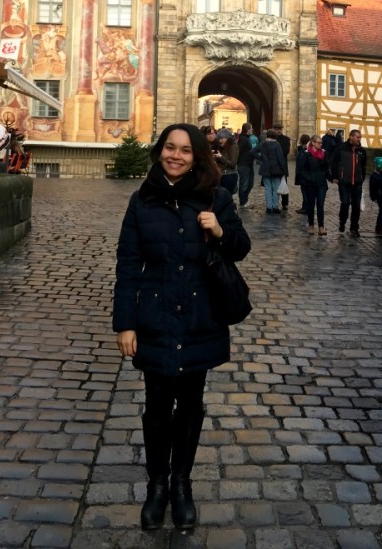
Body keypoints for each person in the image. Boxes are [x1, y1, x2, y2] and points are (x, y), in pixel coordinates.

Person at [113, 123, 251, 532]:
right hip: (154, 318)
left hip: (199, 317)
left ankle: (181, 486)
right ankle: (157, 486)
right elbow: (127, 266)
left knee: (190, 404)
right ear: (160, 152)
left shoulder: (217, 198)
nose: (176, 156)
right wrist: (125, 324)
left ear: (197, 157)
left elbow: (241, 248)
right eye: (170, 148)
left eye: (185, 150)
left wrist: (220, 230)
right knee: (157, 406)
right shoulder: (141, 202)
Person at [330, 129, 367, 237]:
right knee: (345, 203)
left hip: (357, 182)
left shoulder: (361, 151)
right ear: (351, 137)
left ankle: (354, 227)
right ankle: (342, 221)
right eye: (357, 137)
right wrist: (335, 176)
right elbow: (334, 163)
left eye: (360, 137)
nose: (359, 139)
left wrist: (361, 177)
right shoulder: (341, 148)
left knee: (356, 206)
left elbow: (364, 166)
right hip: (344, 181)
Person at [298, 135, 331, 236]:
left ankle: (321, 226)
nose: (320, 144)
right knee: (311, 205)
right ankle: (311, 225)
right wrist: (308, 178)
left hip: (321, 183)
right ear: (313, 143)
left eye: (321, 143)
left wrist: (332, 178)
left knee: (320, 205)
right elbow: (301, 169)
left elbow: (326, 168)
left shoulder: (323, 154)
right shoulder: (305, 154)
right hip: (310, 183)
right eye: (318, 143)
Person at [256, 128, 288, 214]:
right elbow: (281, 158)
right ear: (275, 136)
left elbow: (252, 152)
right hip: (276, 169)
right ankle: (275, 207)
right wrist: (283, 170)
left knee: (267, 189)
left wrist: (261, 158)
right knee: (275, 189)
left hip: (265, 169)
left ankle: (268, 207)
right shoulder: (277, 145)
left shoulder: (263, 144)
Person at [236, 122, 255, 208]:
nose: (252, 130)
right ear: (247, 130)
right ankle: (243, 201)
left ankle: (245, 199)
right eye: (251, 128)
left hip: (249, 164)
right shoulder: (243, 139)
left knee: (250, 183)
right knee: (244, 184)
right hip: (244, 165)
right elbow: (238, 151)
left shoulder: (247, 138)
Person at [214, 129, 239, 195]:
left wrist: (221, 157)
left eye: (222, 138)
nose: (220, 140)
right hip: (222, 175)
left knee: (225, 197)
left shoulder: (233, 147)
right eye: (219, 138)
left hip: (229, 176)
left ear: (228, 138)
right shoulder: (223, 147)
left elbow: (233, 164)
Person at [273, 124, 291, 211]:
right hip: (273, 165)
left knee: (284, 184)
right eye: (276, 129)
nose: (278, 131)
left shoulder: (286, 139)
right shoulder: (272, 139)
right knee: (273, 185)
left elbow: (286, 151)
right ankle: (273, 202)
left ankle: (285, 203)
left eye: (279, 129)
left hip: (283, 165)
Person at [294, 133, 310, 214]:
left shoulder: (305, 151)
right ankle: (305, 207)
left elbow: (301, 162)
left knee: (305, 192)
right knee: (304, 191)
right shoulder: (303, 149)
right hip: (304, 174)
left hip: (304, 174)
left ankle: (306, 208)